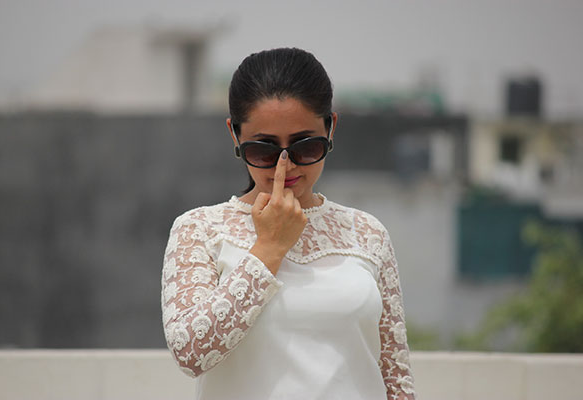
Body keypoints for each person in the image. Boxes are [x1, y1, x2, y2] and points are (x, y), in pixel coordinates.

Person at [161, 47, 416, 400]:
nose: (286, 165)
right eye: (264, 151)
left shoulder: (367, 233)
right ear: (235, 136)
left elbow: (396, 377)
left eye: (306, 146)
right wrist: (268, 249)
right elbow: (190, 353)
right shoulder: (200, 229)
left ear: (331, 128)